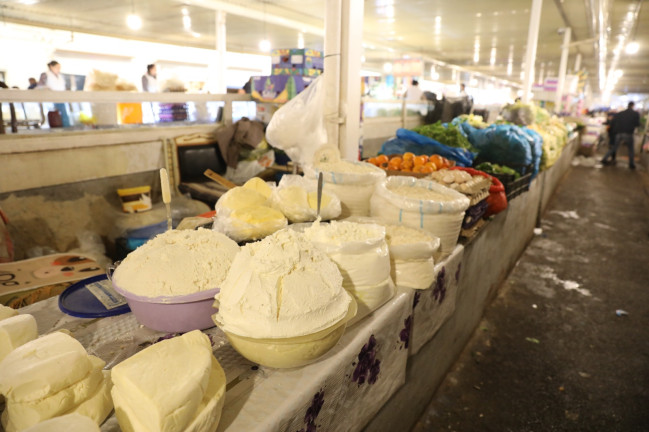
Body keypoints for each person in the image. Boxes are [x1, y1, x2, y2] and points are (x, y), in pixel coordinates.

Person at [601, 102, 640, 169]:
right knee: (630, 149)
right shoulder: (635, 114)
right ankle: (631, 164)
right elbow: (637, 124)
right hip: (628, 133)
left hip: (619, 133)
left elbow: (614, 122)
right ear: (633, 106)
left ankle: (604, 159)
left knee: (614, 147)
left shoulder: (620, 113)